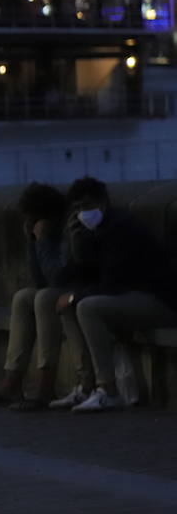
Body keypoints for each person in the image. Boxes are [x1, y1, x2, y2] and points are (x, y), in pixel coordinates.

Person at [53, 177, 177, 413]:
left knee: (86, 307)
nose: (83, 213)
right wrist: (75, 247)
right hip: (131, 296)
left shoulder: (120, 228)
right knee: (69, 305)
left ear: (103, 202)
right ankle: (86, 385)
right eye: (77, 208)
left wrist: (76, 295)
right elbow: (65, 279)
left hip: (158, 300)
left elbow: (112, 283)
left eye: (87, 206)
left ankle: (108, 390)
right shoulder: (91, 231)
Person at [0, 183, 70, 409]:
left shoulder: (66, 233)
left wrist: (43, 241)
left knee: (43, 298)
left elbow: (57, 279)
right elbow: (39, 280)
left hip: (75, 289)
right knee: (22, 297)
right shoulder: (44, 235)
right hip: (57, 288)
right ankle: (12, 381)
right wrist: (32, 243)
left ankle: (46, 384)